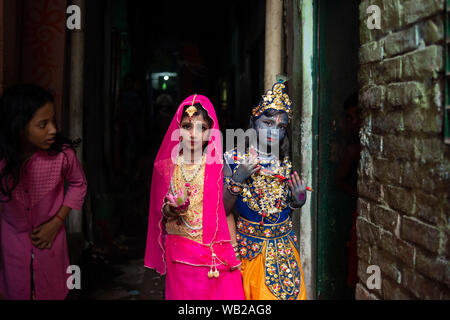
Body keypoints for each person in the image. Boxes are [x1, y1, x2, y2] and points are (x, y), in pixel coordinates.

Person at [144, 94, 244, 300]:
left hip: (212, 256)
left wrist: (234, 252)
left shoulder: (218, 167)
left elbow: (225, 211)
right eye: (187, 126)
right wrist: (171, 209)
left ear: (211, 132)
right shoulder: (166, 167)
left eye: (201, 128)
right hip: (179, 254)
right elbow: (160, 210)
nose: (193, 134)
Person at [0, 84, 87, 300]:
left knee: (54, 290)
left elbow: (79, 184)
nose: (53, 130)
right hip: (10, 245)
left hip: (52, 243)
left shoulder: (62, 156)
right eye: (43, 124)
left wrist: (57, 221)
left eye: (53, 121)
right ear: (18, 127)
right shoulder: (3, 161)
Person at [223, 81, 308, 300]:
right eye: (267, 122)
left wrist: (296, 202)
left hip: (286, 253)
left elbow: (280, 209)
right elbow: (221, 209)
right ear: (254, 122)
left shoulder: (285, 164)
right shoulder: (232, 160)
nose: (274, 131)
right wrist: (237, 178)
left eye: (281, 127)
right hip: (251, 253)